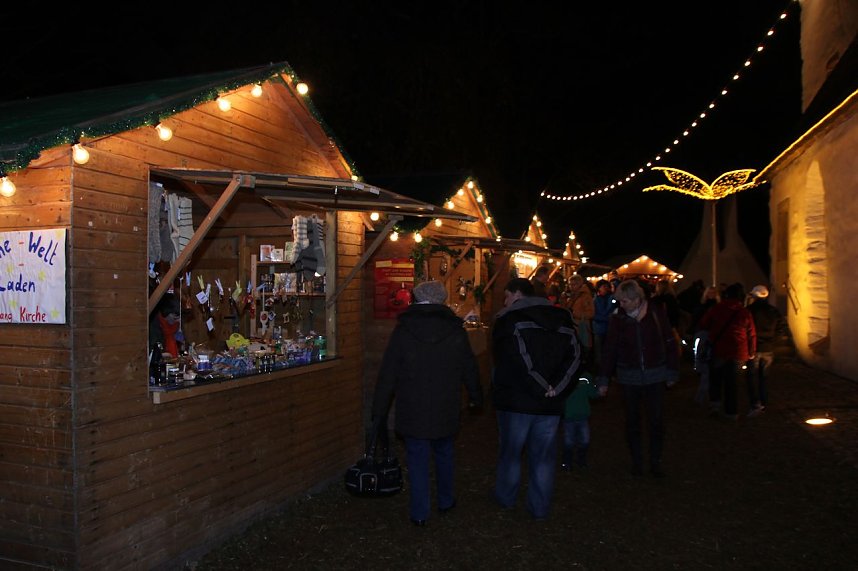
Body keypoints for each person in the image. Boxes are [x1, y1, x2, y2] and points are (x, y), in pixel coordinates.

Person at [372, 280, 483, 527]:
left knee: (417, 458)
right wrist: (476, 397)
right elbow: (469, 366)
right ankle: (446, 500)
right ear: (442, 299)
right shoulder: (455, 330)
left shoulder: (404, 330)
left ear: (417, 297)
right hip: (446, 404)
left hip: (413, 406)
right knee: (445, 453)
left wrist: (379, 409)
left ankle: (420, 512)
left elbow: (389, 372)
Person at [491, 278, 582, 520]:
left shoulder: (510, 321)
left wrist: (541, 386)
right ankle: (539, 506)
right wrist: (555, 387)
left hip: (516, 400)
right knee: (543, 456)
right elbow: (575, 358)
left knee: (511, 453)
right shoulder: (564, 321)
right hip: (550, 402)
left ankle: (506, 498)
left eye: (507, 296)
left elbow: (513, 359)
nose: (505, 302)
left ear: (518, 295)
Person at [596, 279, 679, 478]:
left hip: (655, 374)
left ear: (636, 299)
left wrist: (671, 370)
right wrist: (604, 378)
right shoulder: (618, 319)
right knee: (632, 421)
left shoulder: (656, 313)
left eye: (624, 301)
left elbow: (669, 341)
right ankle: (637, 462)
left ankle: (655, 462)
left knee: (656, 421)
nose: (621, 304)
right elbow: (610, 349)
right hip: (629, 376)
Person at [699, 282, 756, 420]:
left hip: (719, 349)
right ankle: (731, 412)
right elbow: (751, 333)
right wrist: (751, 351)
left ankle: (715, 405)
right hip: (738, 351)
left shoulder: (716, 309)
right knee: (732, 382)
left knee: (716, 379)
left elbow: (704, 324)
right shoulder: (744, 312)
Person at [745, 285, 785, 417]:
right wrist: (773, 342)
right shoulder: (774, 311)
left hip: (754, 348)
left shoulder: (749, 310)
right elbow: (781, 328)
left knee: (752, 377)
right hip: (768, 348)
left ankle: (755, 404)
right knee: (764, 377)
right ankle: (763, 402)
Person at [560, 373, 599, 471]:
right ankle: (567, 462)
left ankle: (581, 461)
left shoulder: (586, 377)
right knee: (568, 442)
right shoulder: (564, 374)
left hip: (583, 416)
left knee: (585, 441)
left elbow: (592, 393)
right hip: (568, 416)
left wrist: (598, 388)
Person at [564, 275, 595, 367]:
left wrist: (575, 314)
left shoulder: (585, 296)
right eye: (570, 284)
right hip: (573, 327)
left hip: (581, 327)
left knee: (582, 350)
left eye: (574, 284)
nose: (571, 287)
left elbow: (591, 313)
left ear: (579, 284)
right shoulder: (571, 295)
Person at [592, 279, 615, 370]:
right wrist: (607, 318)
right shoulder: (595, 300)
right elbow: (594, 315)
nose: (606, 288)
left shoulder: (612, 298)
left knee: (608, 349)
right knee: (599, 350)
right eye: (603, 286)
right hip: (599, 328)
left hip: (609, 328)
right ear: (599, 288)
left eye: (607, 286)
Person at [149, 293, 181, 357]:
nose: (178, 320)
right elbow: (149, 352)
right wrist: (161, 355)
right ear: (166, 312)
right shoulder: (153, 326)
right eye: (175, 318)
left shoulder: (173, 327)